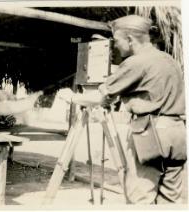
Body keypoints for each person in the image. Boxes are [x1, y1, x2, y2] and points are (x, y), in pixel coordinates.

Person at [65, 15, 186, 204]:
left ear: (130, 39)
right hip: (177, 136)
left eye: (117, 41)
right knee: (171, 201)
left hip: (151, 136)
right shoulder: (170, 60)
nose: (115, 46)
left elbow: (101, 97)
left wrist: (72, 97)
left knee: (140, 199)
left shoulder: (136, 62)